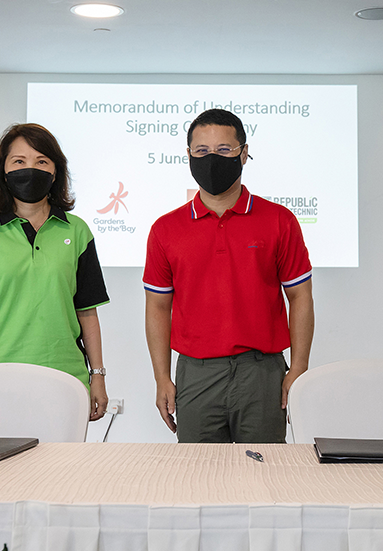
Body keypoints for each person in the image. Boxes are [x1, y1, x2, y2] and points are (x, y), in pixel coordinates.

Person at [143, 108, 314, 443]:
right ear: (189, 155)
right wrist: (162, 377)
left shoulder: (279, 220)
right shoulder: (166, 229)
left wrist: (299, 368)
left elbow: (300, 297)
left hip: (262, 372)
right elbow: (158, 308)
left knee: (264, 478)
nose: (211, 159)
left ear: (244, 153)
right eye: (201, 151)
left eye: (224, 150)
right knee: (200, 481)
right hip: (196, 372)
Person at [0, 123, 110, 420]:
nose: (29, 169)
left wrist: (97, 375)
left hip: (65, 378)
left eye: (41, 161)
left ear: (55, 171)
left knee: (61, 468)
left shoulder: (78, 231)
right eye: (19, 161)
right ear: (3, 171)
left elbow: (87, 312)